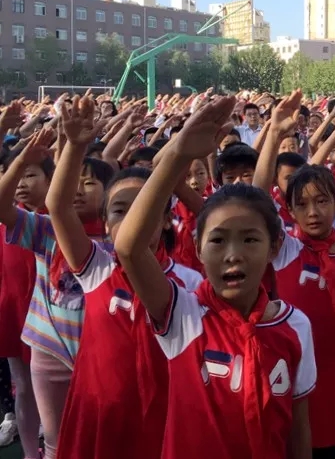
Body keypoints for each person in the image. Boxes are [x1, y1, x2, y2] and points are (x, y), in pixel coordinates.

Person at [114, 96, 316, 459]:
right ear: (198, 248)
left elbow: (298, 427)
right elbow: (129, 248)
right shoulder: (184, 315)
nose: (233, 254)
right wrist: (178, 154)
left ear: (274, 247)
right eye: (218, 241)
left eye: (250, 240)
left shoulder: (295, 325)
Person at [46, 95, 201, 459]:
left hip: (160, 421)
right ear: (105, 223)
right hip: (97, 415)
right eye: (119, 211)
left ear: (167, 220)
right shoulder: (97, 269)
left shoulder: (190, 284)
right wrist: (75, 146)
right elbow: (58, 206)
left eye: (145, 211)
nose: (133, 221)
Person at [252, 93, 335, 458]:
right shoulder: (285, 250)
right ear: (289, 211)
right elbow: (256, 200)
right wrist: (274, 136)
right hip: (290, 380)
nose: (313, 212)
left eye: (322, 201)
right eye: (302, 204)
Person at [0, 136, 114, 459]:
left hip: (104, 353)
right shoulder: (48, 229)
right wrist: (21, 162)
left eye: (89, 183)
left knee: (102, 436)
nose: (77, 189)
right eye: (72, 181)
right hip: (49, 350)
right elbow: (2, 207)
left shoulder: (120, 240)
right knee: (56, 441)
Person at [0, 146, 51, 459]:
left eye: (30, 175)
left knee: (57, 388)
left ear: (50, 179)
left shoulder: (60, 220)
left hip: (54, 319)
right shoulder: (7, 219)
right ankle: (32, 453)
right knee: (23, 385)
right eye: (15, 175)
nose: (20, 182)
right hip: (14, 313)